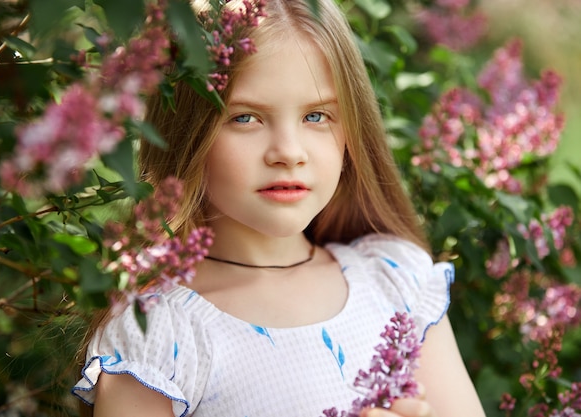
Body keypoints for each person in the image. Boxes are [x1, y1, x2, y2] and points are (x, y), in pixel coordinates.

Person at [72, 0, 487, 416]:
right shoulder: (160, 333)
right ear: (185, 131)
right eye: (246, 118)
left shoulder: (396, 283)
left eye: (317, 115)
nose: (288, 152)